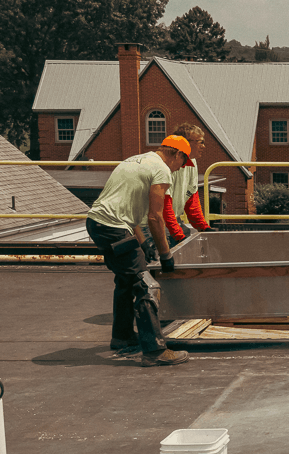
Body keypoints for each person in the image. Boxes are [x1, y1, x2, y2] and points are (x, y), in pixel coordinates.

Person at [86, 135, 192, 366]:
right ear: (178, 154)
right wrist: (166, 256)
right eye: (181, 164)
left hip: (98, 223)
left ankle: (122, 336)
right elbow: (155, 217)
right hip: (113, 227)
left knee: (126, 279)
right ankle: (154, 351)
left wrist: (143, 244)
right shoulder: (162, 169)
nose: (178, 170)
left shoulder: (134, 161)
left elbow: (129, 211)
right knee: (145, 284)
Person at [142, 123, 216, 251]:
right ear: (186, 142)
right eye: (200, 142)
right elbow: (164, 206)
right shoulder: (168, 164)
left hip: (170, 220)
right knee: (164, 260)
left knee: (189, 244)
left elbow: (191, 197)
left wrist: (203, 227)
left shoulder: (192, 162)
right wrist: (178, 235)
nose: (204, 146)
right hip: (154, 222)